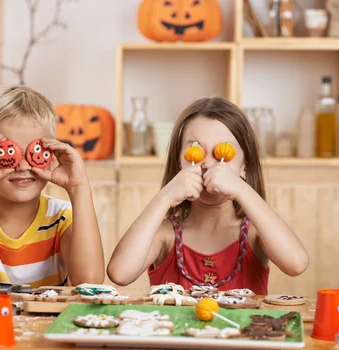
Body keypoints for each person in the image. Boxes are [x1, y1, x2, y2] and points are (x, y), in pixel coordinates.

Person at [107, 97, 308, 294]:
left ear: (245, 166)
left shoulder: (256, 233)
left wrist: (242, 190)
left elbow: (296, 264)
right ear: (178, 163)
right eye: (195, 150)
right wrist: (164, 198)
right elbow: (120, 274)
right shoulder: (165, 234)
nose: (208, 164)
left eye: (224, 152)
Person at [0, 85, 105, 287]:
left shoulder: (62, 218)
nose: (22, 166)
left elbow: (89, 283)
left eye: (36, 151)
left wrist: (79, 188)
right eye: (7, 152)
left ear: (51, 156)